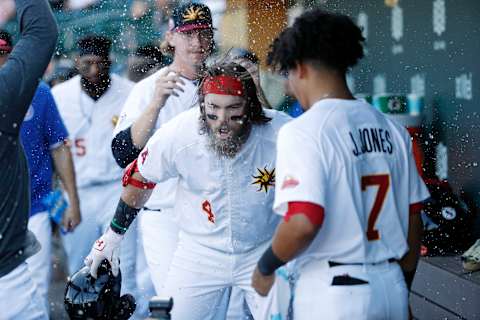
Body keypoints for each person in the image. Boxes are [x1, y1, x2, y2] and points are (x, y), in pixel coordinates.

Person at [251, 9, 430, 320]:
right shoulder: (392, 129)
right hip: (391, 285)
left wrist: (265, 266)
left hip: (335, 292)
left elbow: (303, 220)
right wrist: (401, 286)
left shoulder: (303, 130)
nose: (289, 86)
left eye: (288, 75)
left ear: (301, 68)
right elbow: (414, 219)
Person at [86, 62, 291, 319]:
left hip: (262, 247)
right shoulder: (180, 131)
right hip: (201, 252)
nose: (222, 122)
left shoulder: (282, 132)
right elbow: (140, 177)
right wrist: (113, 236)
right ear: (202, 104)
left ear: (250, 106)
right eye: (213, 109)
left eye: (233, 109)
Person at [111, 1, 215, 301]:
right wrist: (156, 103)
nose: (197, 42)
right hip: (164, 213)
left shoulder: (221, 83)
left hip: (211, 210)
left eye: (204, 33)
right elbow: (123, 153)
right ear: (171, 37)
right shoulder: (147, 89)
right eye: (189, 33)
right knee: (174, 301)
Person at [51, 35, 137, 299]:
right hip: (78, 192)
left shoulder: (130, 91)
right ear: (77, 62)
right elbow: (52, 148)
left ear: (110, 62)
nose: (94, 70)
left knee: (125, 265)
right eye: (87, 63)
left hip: (117, 188)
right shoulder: (59, 96)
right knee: (80, 266)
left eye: (100, 63)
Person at [0, 0, 58, 318]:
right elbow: (42, 31)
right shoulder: (4, 94)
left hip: (37, 208)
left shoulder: (16, 94)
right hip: (8, 281)